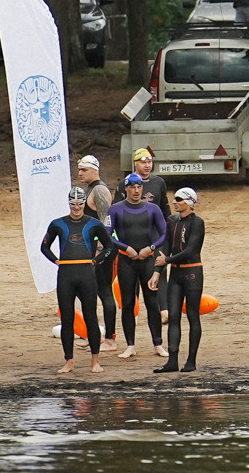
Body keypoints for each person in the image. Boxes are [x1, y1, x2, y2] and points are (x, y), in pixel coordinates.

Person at [42, 188, 118, 375]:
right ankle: (69, 361)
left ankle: (95, 361)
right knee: (67, 319)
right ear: (68, 204)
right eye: (73, 204)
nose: (76, 208)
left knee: (91, 317)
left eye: (80, 204)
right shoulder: (58, 224)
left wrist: (96, 261)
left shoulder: (93, 224)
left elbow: (110, 247)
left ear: (84, 203)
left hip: (86, 273)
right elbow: (44, 247)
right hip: (66, 274)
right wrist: (56, 260)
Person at [108, 173, 170, 359]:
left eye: (139, 187)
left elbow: (164, 233)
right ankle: (130, 345)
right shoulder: (115, 209)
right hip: (126, 261)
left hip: (147, 260)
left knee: (152, 302)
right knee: (128, 304)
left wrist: (149, 248)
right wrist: (126, 248)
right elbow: (107, 234)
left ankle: (158, 344)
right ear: (125, 189)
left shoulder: (152, 209)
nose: (136, 191)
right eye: (132, 187)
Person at [156, 186, 206, 372]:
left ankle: (191, 361)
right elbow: (167, 246)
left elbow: (192, 250)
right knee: (174, 316)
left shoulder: (197, 223)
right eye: (174, 198)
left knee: (192, 316)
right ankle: (172, 361)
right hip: (176, 274)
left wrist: (166, 260)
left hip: (192, 273)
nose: (174, 202)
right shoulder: (172, 221)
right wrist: (157, 271)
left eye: (179, 199)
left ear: (189, 202)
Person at [74, 154, 117, 343]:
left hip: (102, 249)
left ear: (95, 170)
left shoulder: (99, 190)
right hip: (92, 248)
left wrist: (101, 249)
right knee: (90, 292)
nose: (80, 173)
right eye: (79, 169)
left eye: (84, 170)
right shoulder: (91, 188)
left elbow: (106, 222)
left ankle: (110, 339)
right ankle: (95, 336)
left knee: (105, 291)